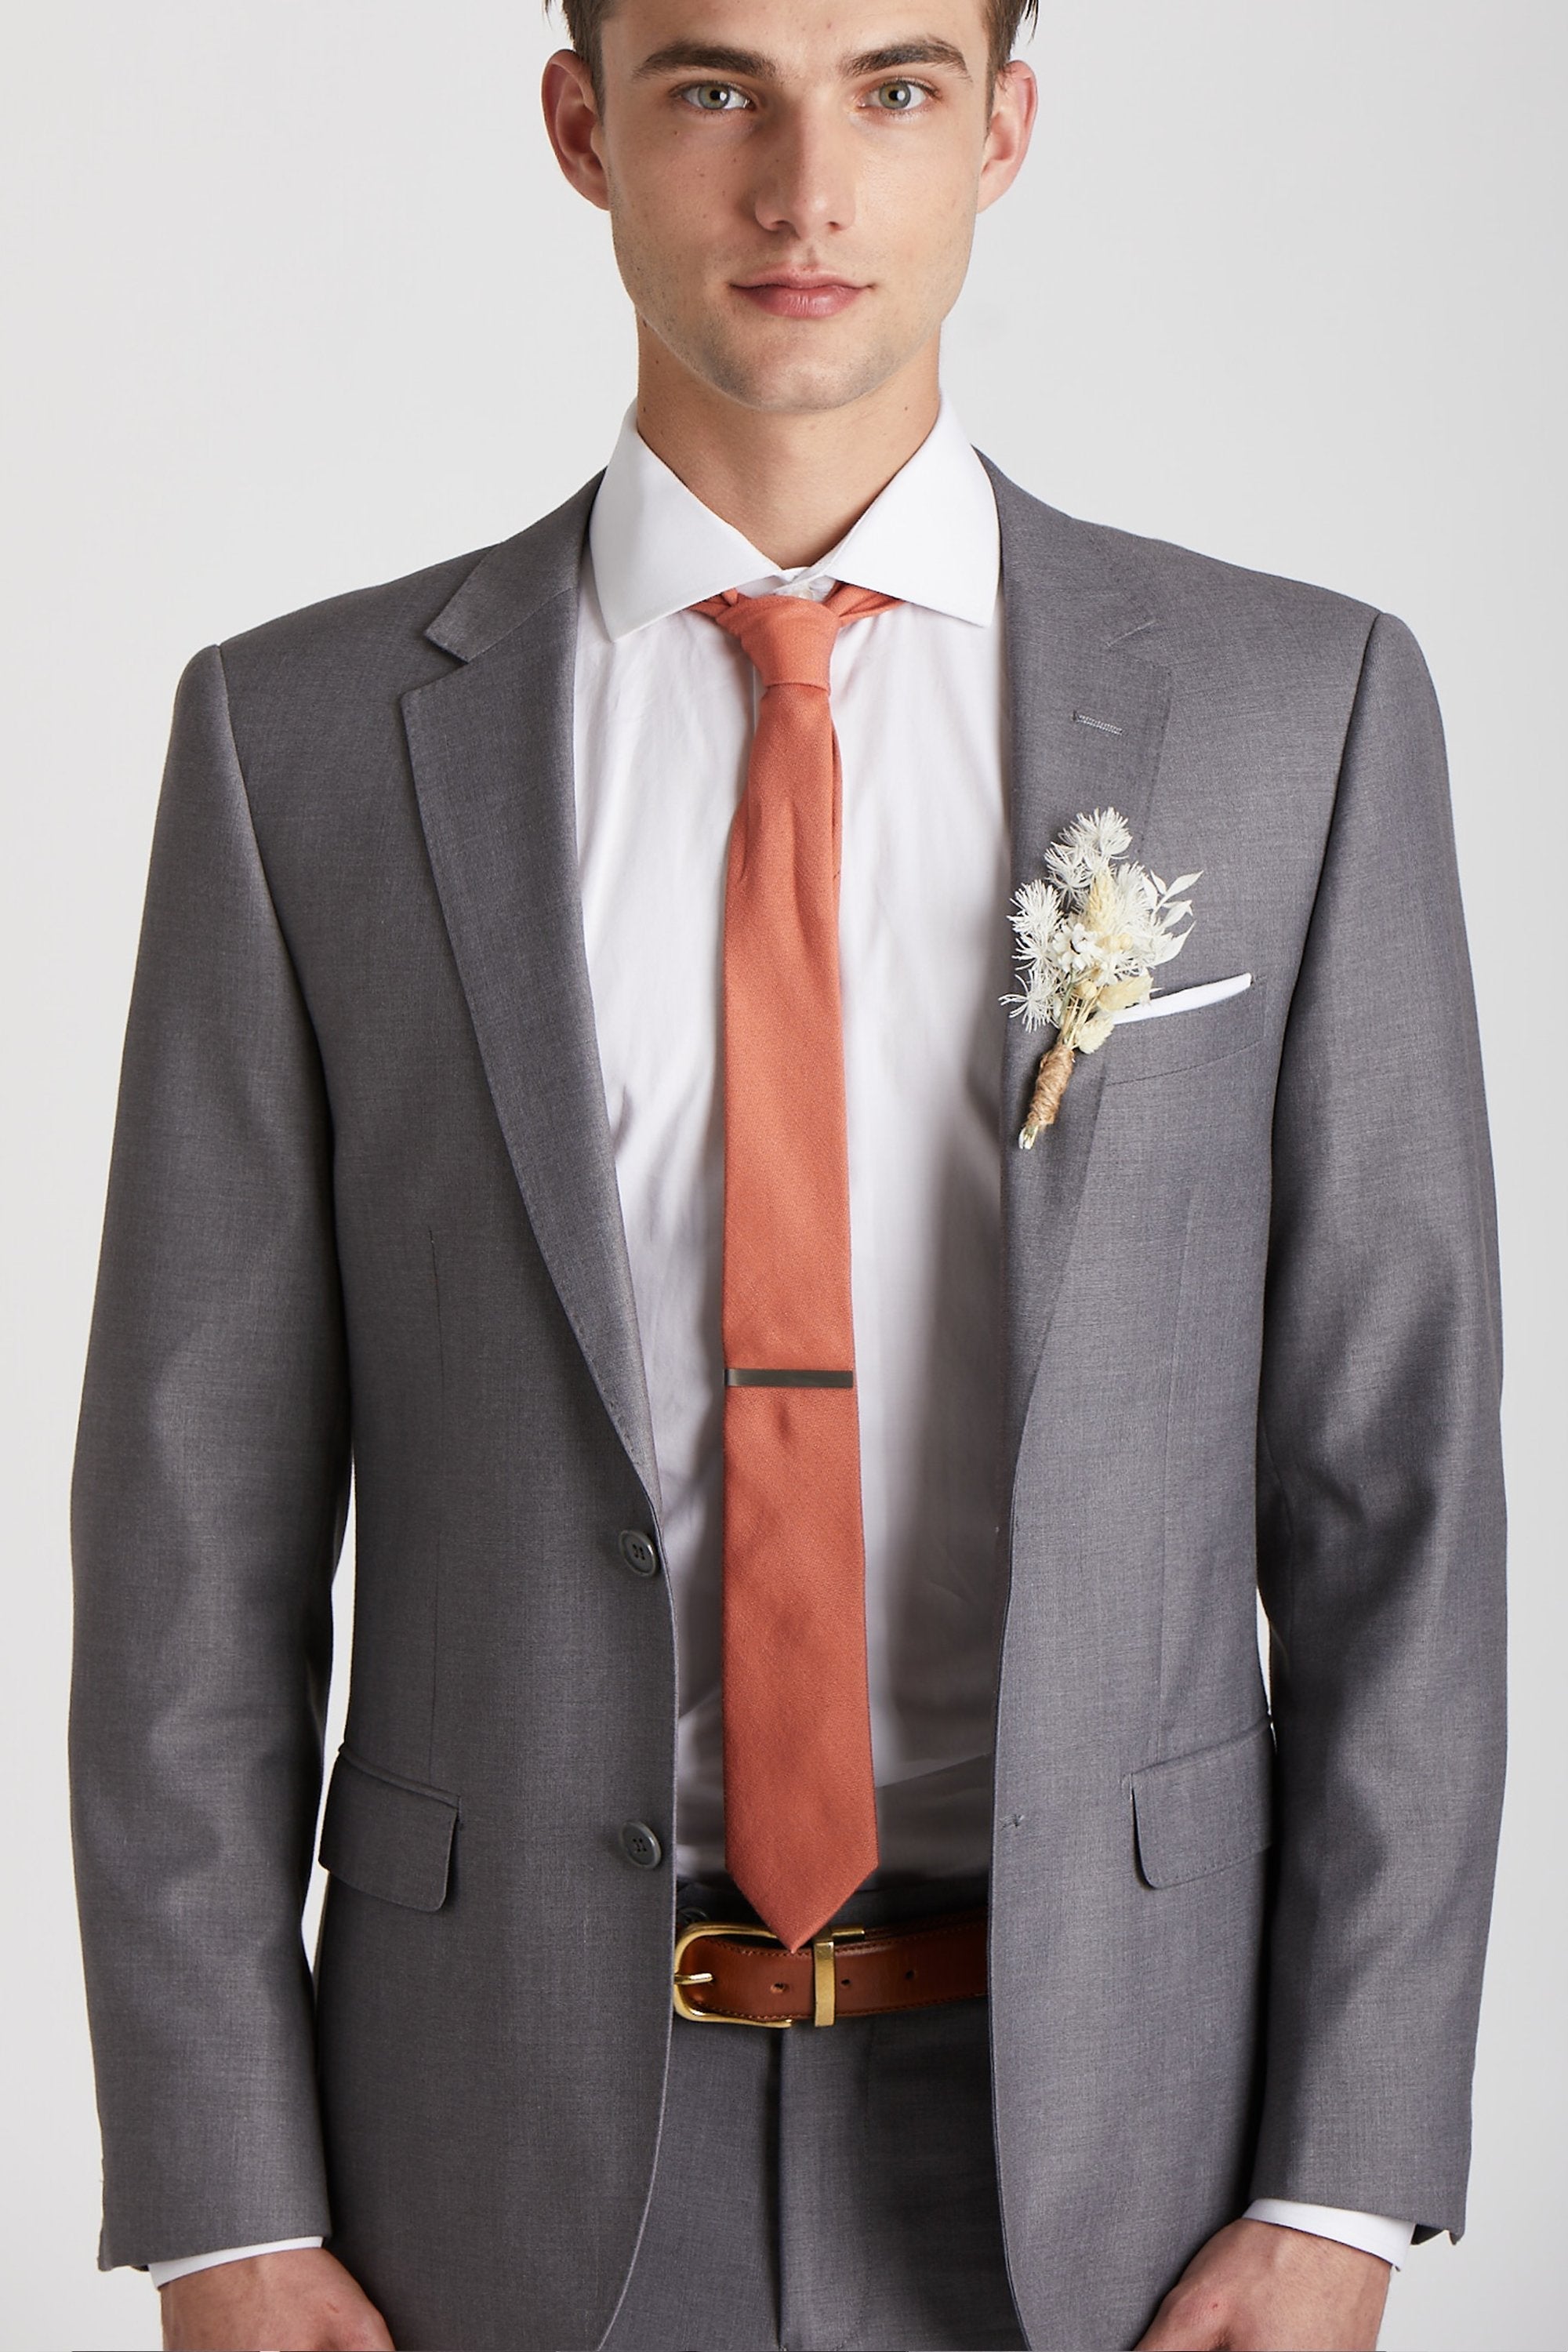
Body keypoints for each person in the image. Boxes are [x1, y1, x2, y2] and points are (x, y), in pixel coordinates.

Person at [67, 0, 1507, 2344]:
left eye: (900, 88)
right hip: (485, 2159)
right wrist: (229, 2205)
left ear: (1007, 129)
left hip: (1124, 2158)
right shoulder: (299, 743)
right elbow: (189, 1531)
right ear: (583, 128)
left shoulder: (1295, 711)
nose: (807, 187)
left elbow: (1401, 1495)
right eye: (717, 86)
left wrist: (1341, 2185)